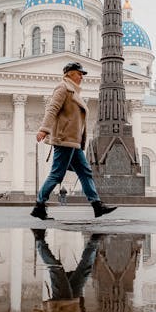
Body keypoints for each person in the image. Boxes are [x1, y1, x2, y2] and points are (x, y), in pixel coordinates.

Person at [31, 62, 116, 220]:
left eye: (82, 74)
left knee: (85, 172)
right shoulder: (63, 88)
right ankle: (39, 205)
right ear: (69, 74)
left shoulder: (74, 92)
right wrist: (44, 129)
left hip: (74, 142)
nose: (81, 77)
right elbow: (52, 108)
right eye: (79, 73)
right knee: (56, 175)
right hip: (64, 140)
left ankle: (97, 205)